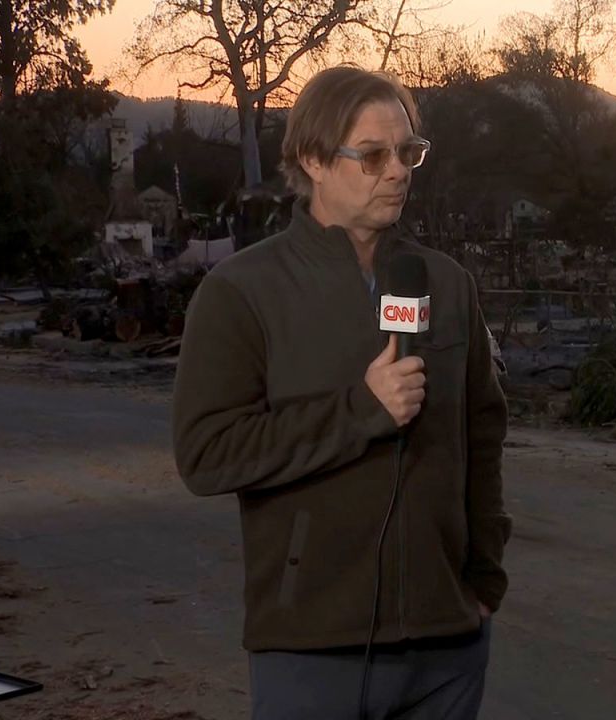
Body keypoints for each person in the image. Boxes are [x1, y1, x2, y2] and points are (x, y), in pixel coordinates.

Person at [171, 66, 510, 719]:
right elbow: (207, 453)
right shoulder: (242, 291)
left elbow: (483, 435)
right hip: (311, 647)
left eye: (409, 153)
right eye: (374, 155)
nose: (398, 172)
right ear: (313, 159)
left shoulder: (446, 282)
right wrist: (361, 411)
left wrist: (483, 576)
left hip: (448, 647)